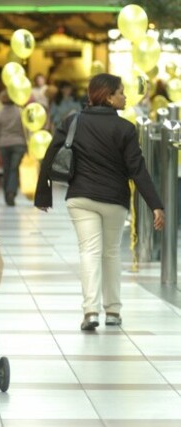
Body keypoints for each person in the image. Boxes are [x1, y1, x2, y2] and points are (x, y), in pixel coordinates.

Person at [35, 73, 165, 331]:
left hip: (80, 198)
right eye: (121, 92)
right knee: (111, 253)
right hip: (113, 200)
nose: (125, 96)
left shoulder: (73, 121)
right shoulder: (125, 129)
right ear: (108, 96)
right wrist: (155, 205)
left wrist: (43, 194)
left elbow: (50, 155)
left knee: (89, 252)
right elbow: (137, 169)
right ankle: (113, 311)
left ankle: (90, 311)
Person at [0, 90, 27, 206]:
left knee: (6, 169)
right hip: (19, 143)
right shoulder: (20, 112)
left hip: (3, 144)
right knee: (14, 169)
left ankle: (7, 193)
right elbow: (25, 130)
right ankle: (11, 192)